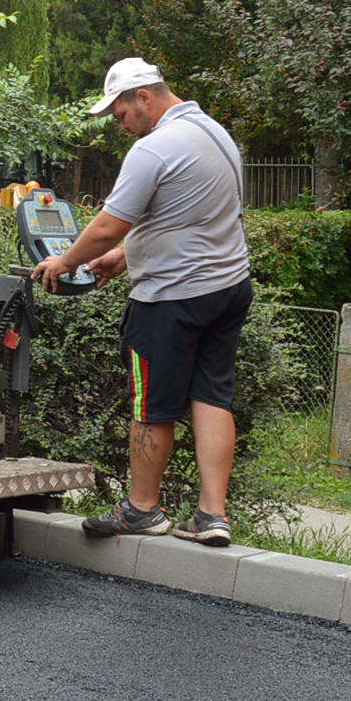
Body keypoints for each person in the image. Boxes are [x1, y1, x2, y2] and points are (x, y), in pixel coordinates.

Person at [30, 58, 254, 546]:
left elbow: (110, 223)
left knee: (151, 403)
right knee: (212, 396)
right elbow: (188, 219)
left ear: (144, 98)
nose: (122, 127)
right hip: (228, 288)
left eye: (121, 116)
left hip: (172, 299)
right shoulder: (215, 135)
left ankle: (142, 508)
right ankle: (212, 516)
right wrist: (124, 257)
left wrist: (65, 261)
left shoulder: (153, 149)